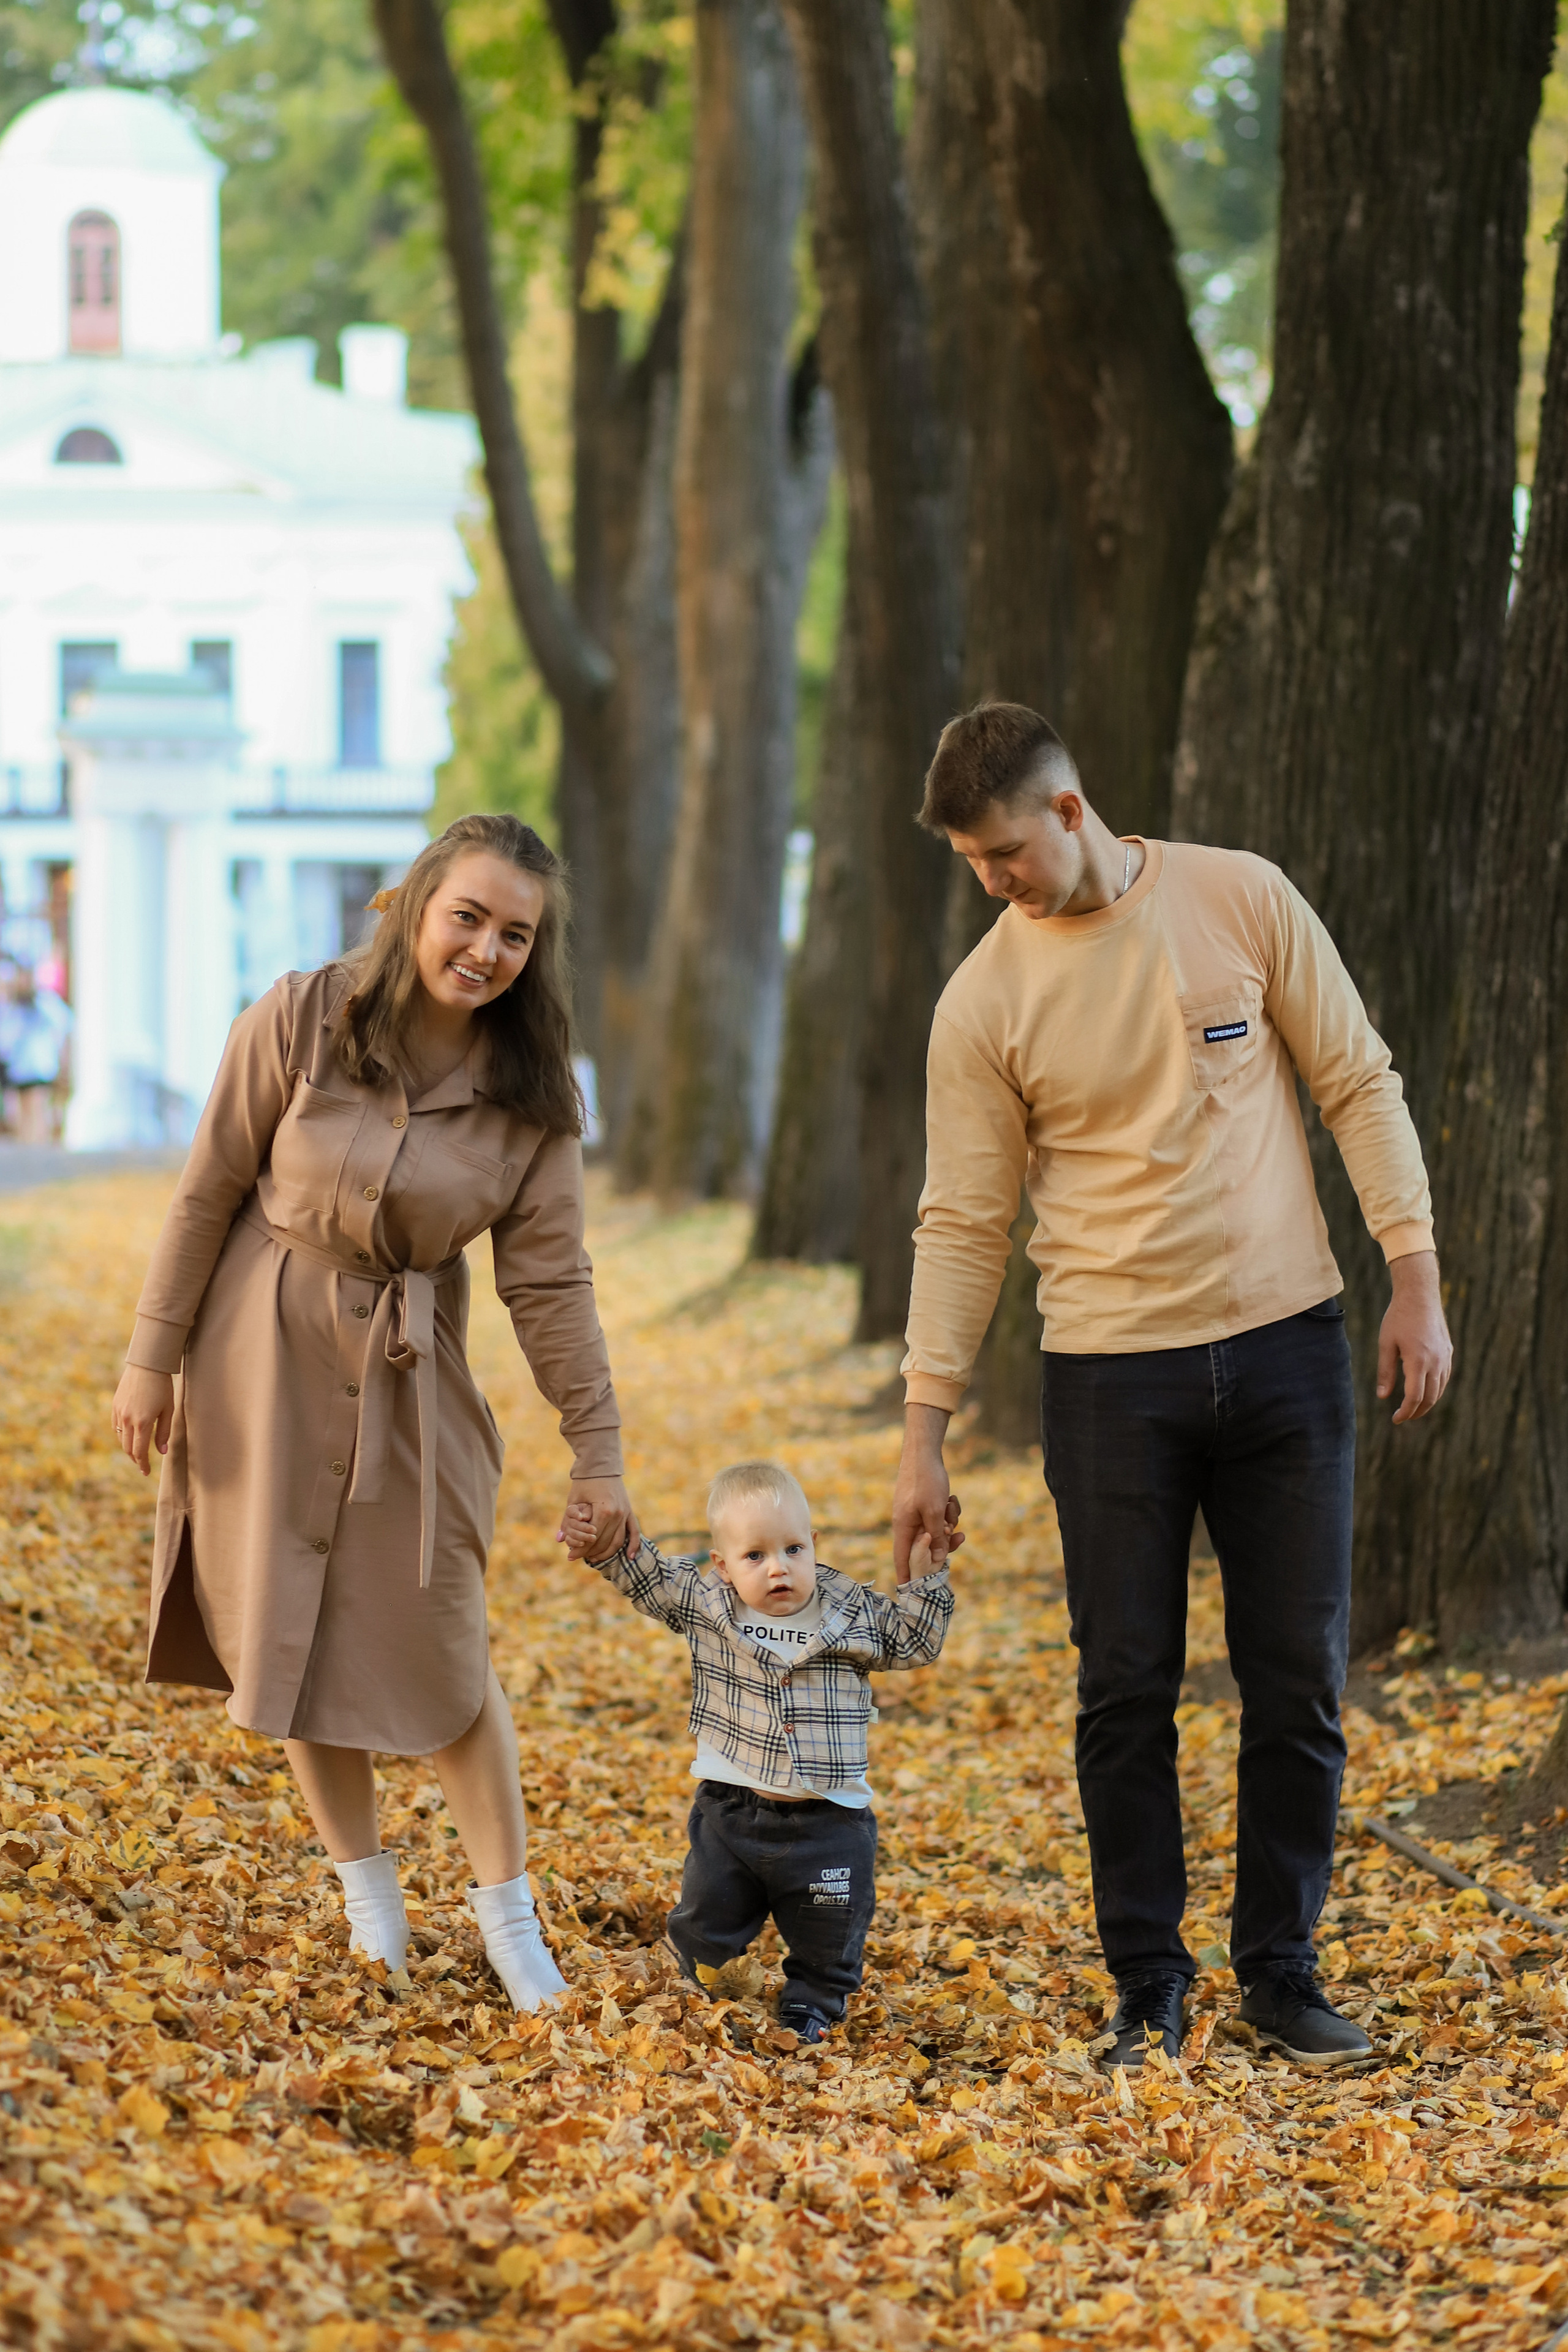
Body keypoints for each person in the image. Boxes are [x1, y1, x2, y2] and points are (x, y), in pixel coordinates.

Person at [892, 703, 1452, 2074]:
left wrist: (1412, 1274)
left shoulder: (1238, 897)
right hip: (1105, 1380)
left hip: (1286, 1353)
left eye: (1004, 852)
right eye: (971, 862)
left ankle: (1281, 1971)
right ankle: (1146, 1986)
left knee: (1296, 1682)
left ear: (1069, 812)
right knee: (1123, 1691)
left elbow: (1357, 1085)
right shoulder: (983, 1002)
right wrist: (924, 1433)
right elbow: (961, 1221)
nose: (992, 882)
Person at [110, 813, 638, 2013]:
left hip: (411, 1379)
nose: (487, 949)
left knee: (443, 1639)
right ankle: (371, 1908)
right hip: (258, 1364)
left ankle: (510, 1924)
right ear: (412, 906)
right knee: (287, 1633)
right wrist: (153, 1357)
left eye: (515, 934)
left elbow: (550, 1285)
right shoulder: (297, 1018)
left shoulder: (533, 1096)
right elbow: (206, 1193)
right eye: (469, 916)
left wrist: (594, 1453)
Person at [569, 1460, 957, 2043]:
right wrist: (600, 1538)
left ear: (814, 1545)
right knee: (706, 1915)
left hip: (830, 1819)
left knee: (831, 1929)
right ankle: (695, 1983)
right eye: (755, 1556)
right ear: (722, 1565)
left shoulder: (849, 1612)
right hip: (732, 1812)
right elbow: (645, 1575)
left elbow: (914, 1641)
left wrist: (928, 1577)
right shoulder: (709, 1606)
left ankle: (813, 2005)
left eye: (793, 1549)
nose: (779, 1568)